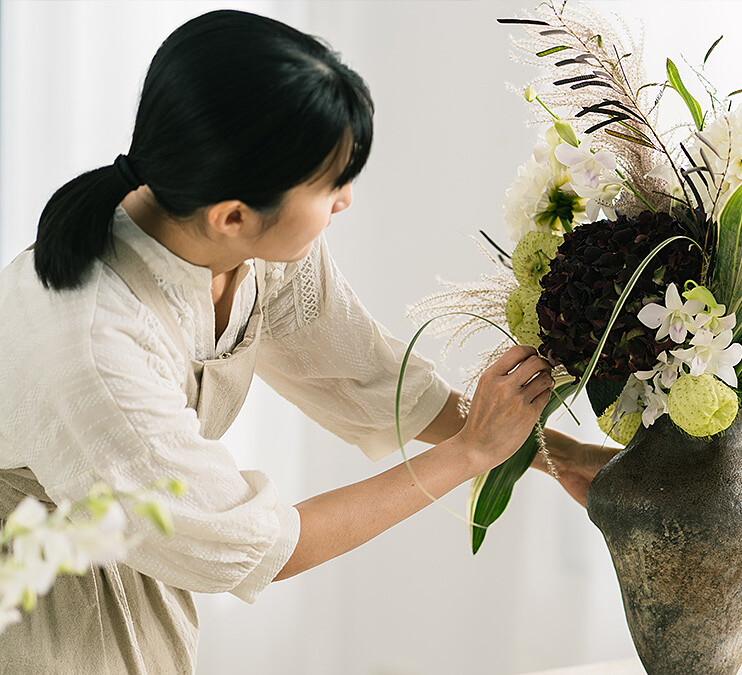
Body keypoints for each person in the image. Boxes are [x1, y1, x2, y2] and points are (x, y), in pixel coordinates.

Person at [0, 9, 611, 673]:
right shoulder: (95, 350)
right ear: (231, 215)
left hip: (128, 567)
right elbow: (258, 544)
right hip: (36, 608)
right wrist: (470, 453)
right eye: (329, 183)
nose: (346, 199)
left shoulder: (243, 243)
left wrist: (562, 455)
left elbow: (365, 376)